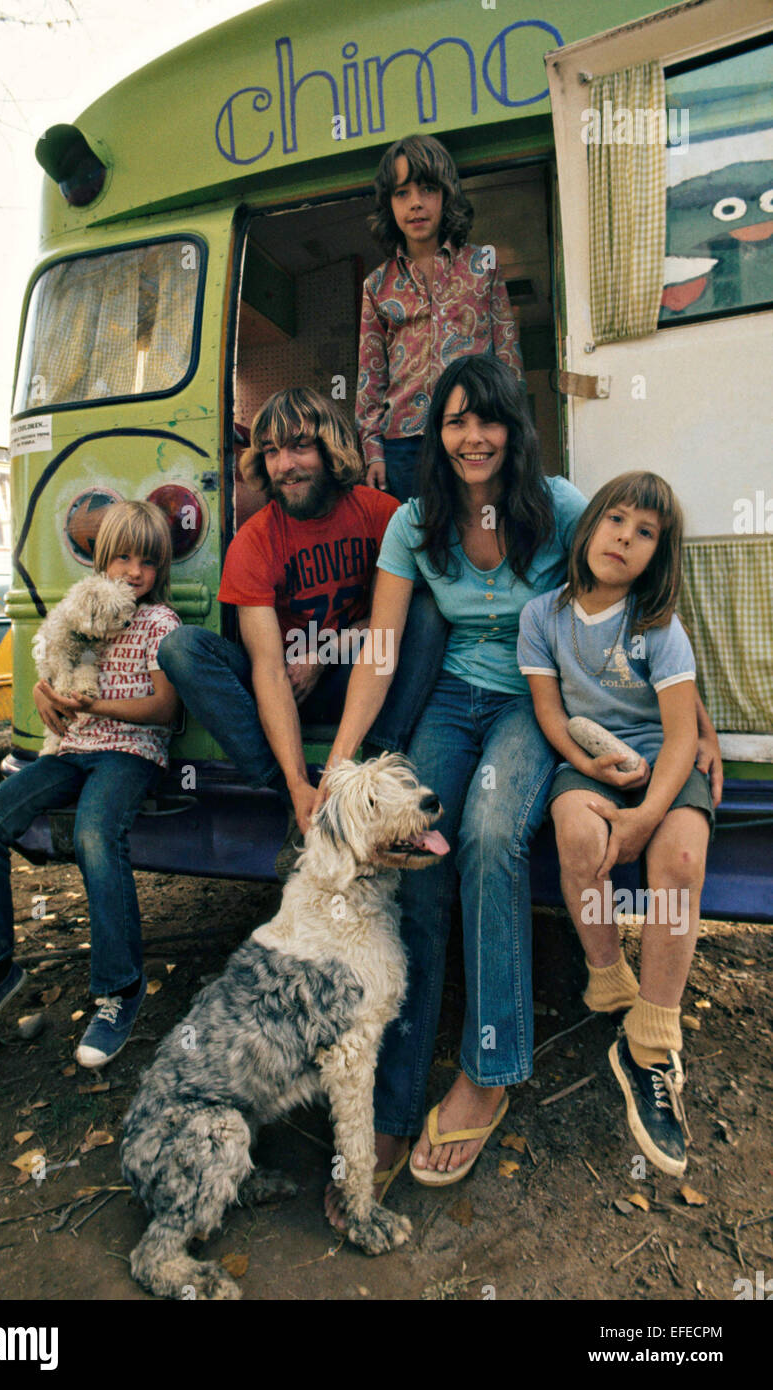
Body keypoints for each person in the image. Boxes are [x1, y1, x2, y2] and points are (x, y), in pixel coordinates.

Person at [317, 355, 722, 1215]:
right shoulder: (414, 523)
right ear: (438, 433)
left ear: (513, 428)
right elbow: (382, 651)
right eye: (455, 421)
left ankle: (488, 1070)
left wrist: (702, 721)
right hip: (451, 697)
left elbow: (645, 596)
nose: (473, 437)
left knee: (491, 836)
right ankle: (392, 1102)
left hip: (533, 710)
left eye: (489, 420)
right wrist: (340, 760)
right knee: (412, 856)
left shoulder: (562, 505)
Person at [518, 473, 714, 1176]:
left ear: (658, 555)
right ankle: (607, 976)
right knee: (576, 835)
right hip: (589, 757)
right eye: (616, 521)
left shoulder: (657, 625)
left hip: (664, 763)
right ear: (589, 525)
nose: (625, 539)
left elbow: (681, 734)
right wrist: (588, 769)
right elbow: (547, 713)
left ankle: (651, 1038)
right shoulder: (543, 616)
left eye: (645, 534)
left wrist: (645, 819)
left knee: (681, 862)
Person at [156, 387, 446, 856]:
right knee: (181, 648)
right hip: (282, 692)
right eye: (271, 451)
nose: (284, 464)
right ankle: (298, 803)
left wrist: (324, 653)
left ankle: (366, 773)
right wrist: (296, 782)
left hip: (356, 681)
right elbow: (269, 669)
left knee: (427, 613)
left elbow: (395, 622)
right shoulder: (254, 541)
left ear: (331, 451)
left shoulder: (380, 513)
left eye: (299, 447)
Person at [0, 501, 180, 1068]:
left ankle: (120, 990)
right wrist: (44, 694)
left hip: (128, 753)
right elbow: (50, 665)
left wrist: (98, 703)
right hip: (71, 750)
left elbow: (166, 709)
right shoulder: (81, 611)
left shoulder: (161, 622)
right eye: (122, 558)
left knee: (97, 835)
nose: (133, 572)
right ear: (102, 559)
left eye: (146, 562)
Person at [357, 134, 524, 503]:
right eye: (401, 193)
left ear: (446, 194)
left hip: (474, 433)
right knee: (418, 542)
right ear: (389, 204)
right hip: (404, 446)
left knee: (479, 530)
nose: (415, 203)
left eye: (427, 189)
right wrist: (373, 450)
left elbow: (508, 359)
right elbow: (371, 377)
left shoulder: (484, 267)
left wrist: (514, 435)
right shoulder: (377, 285)